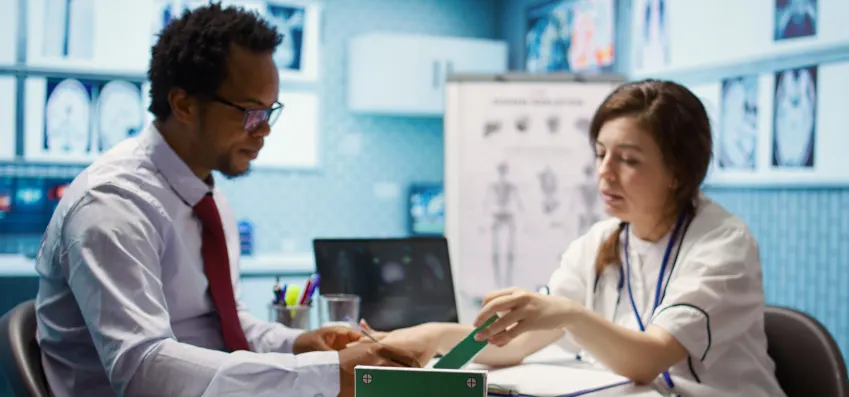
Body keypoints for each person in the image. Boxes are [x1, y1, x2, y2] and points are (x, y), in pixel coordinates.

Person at [33, 4, 420, 397]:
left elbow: (228, 327)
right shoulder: (112, 205)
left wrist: (300, 345)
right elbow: (142, 370)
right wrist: (325, 373)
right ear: (183, 104)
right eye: (252, 112)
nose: (265, 129)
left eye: (270, 111)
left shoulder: (204, 196)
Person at [359, 80, 787, 397]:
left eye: (628, 160)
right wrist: (432, 337)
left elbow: (648, 359)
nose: (604, 173)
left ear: (678, 172)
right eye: (601, 154)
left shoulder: (722, 243)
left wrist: (564, 313)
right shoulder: (601, 241)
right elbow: (522, 342)